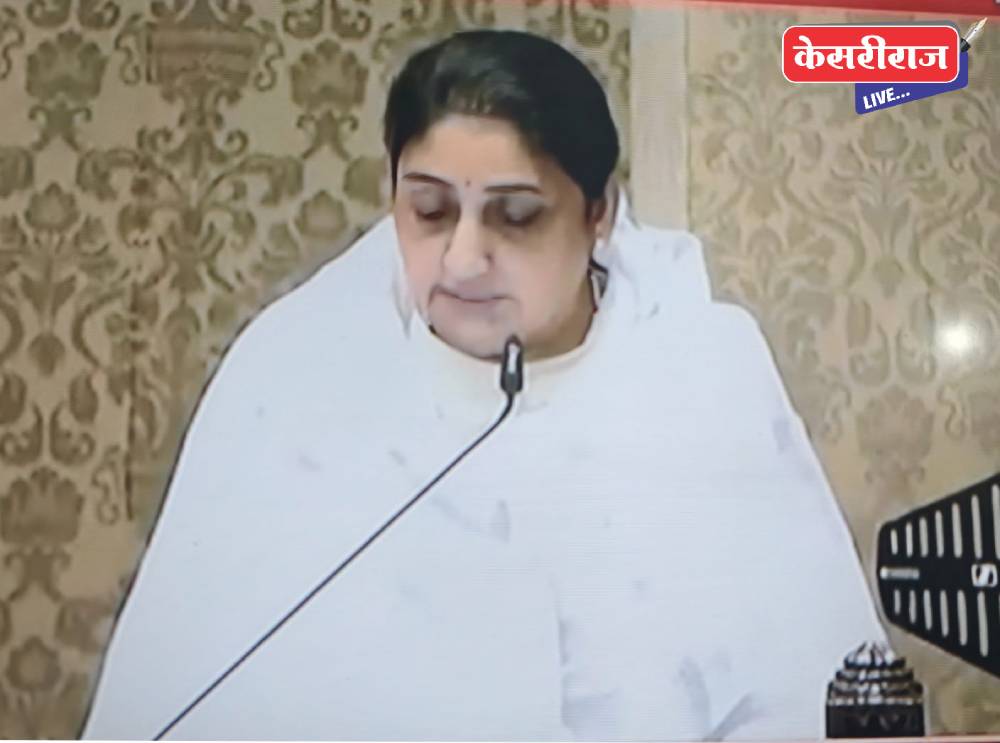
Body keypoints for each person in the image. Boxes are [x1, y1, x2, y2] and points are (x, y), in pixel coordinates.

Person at [83, 30, 887, 741]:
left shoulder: (705, 370)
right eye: (430, 211)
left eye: (516, 216)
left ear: (599, 212)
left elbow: (808, 689)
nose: (464, 260)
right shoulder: (293, 372)